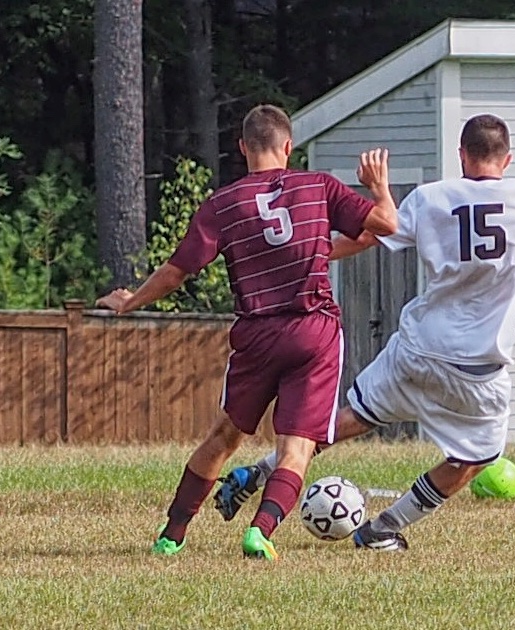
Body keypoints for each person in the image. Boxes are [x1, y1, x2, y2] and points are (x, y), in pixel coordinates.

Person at [214, 113, 515, 551]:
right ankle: (382, 529)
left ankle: (258, 472)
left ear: (462, 155)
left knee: (352, 419)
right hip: (477, 366)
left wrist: (316, 248)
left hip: (417, 348)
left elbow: (370, 236)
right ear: (508, 159)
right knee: (474, 459)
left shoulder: (430, 198)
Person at [96, 104, 398, 561]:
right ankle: (260, 531)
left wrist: (131, 301)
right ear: (289, 146)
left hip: (256, 335)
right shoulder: (319, 187)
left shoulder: (224, 204)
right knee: (296, 447)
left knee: (224, 436)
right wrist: (378, 188)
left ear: (242, 148)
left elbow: (177, 271)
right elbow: (385, 227)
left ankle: (172, 535)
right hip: (313, 331)